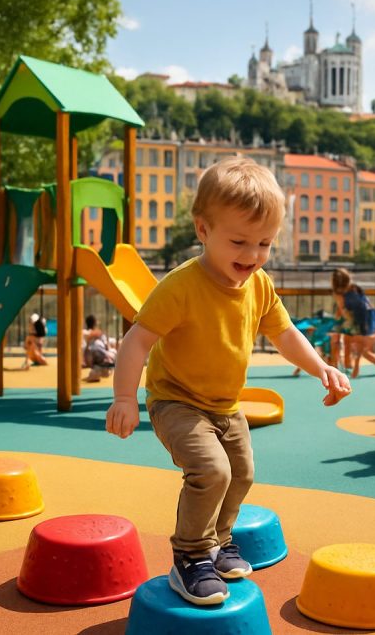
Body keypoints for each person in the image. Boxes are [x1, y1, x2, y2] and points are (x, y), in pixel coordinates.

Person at [105, 157, 351, 606]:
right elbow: (137, 340)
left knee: (242, 472)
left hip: (224, 404)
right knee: (211, 470)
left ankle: (217, 542)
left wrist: (322, 367)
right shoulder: (182, 286)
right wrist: (124, 397)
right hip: (175, 401)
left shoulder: (259, 285)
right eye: (239, 241)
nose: (252, 256)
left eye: (264, 244)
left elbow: (285, 333)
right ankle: (190, 556)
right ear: (203, 230)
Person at [331, 268, 375, 378]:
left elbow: (343, 311)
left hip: (361, 320)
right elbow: (366, 304)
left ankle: (351, 366)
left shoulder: (340, 294)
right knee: (359, 346)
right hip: (370, 319)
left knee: (351, 342)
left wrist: (339, 321)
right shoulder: (355, 288)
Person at [83, 314, 117, 382]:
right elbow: (108, 346)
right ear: (95, 323)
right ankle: (103, 367)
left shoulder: (85, 333)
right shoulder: (97, 334)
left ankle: (100, 369)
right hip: (103, 361)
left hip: (99, 361)